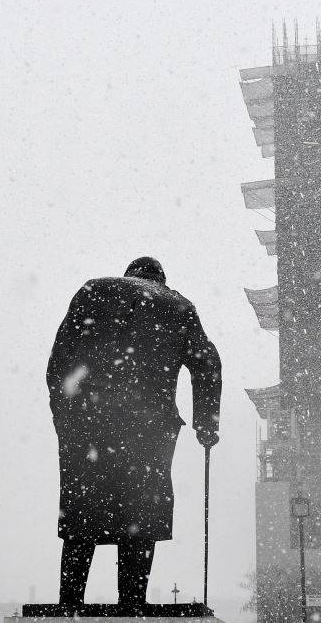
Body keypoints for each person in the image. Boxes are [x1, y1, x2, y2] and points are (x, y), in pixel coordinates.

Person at [47, 256, 222, 609]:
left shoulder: (93, 290)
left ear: (128, 274)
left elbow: (59, 361)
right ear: (161, 278)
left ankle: (69, 603)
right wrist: (206, 424)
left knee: (84, 509)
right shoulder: (178, 305)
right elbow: (207, 363)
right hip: (149, 426)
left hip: (90, 422)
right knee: (141, 512)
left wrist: (66, 417)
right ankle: (132, 603)